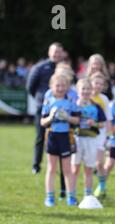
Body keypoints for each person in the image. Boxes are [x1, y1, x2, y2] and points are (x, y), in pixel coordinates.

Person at [40, 74, 80, 207]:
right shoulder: (48, 100)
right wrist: (51, 117)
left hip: (65, 136)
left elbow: (77, 120)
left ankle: (71, 197)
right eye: (57, 85)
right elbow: (42, 122)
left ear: (67, 87)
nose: (60, 88)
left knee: (67, 169)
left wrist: (67, 118)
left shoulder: (70, 101)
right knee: (51, 168)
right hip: (52, 136)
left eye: (63, 85)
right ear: (51, 86)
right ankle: (50, 198)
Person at [27, 42, 63, 174]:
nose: (56, 54)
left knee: (61, 137)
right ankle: (36, 165)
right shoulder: (40, 67)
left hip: (62, 109)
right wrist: (41, 99)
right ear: (49, 52)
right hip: (43, 108)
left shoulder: (64, 68)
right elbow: (30, 87)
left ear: (62, 53)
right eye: (54, 51)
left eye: (59, 52)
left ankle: (60, 166)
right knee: (40, 137)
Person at [71, 79, 106, 200]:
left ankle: (88, 196)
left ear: (91, 90)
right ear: (77, 91)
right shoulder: (73, 105)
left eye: (88, 89)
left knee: (89, 169)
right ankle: (72, 195)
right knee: (74, 169)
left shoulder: (96, 107)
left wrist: (94, 123)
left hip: (91, 140)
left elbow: (102, 124)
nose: (85, 91)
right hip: (76, 139)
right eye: (83, 89)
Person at [89, 72, 113, 198]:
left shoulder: (104, 99)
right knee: (87, 164)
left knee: (99, 163)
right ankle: (86, 191)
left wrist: (108, 135)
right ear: (91, 83)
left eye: (101, 84)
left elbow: (108, 118)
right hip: (86, 134)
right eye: (96, 83)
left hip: (100, 134)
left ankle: (102, 186)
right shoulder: (85, 97)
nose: (98, 86)